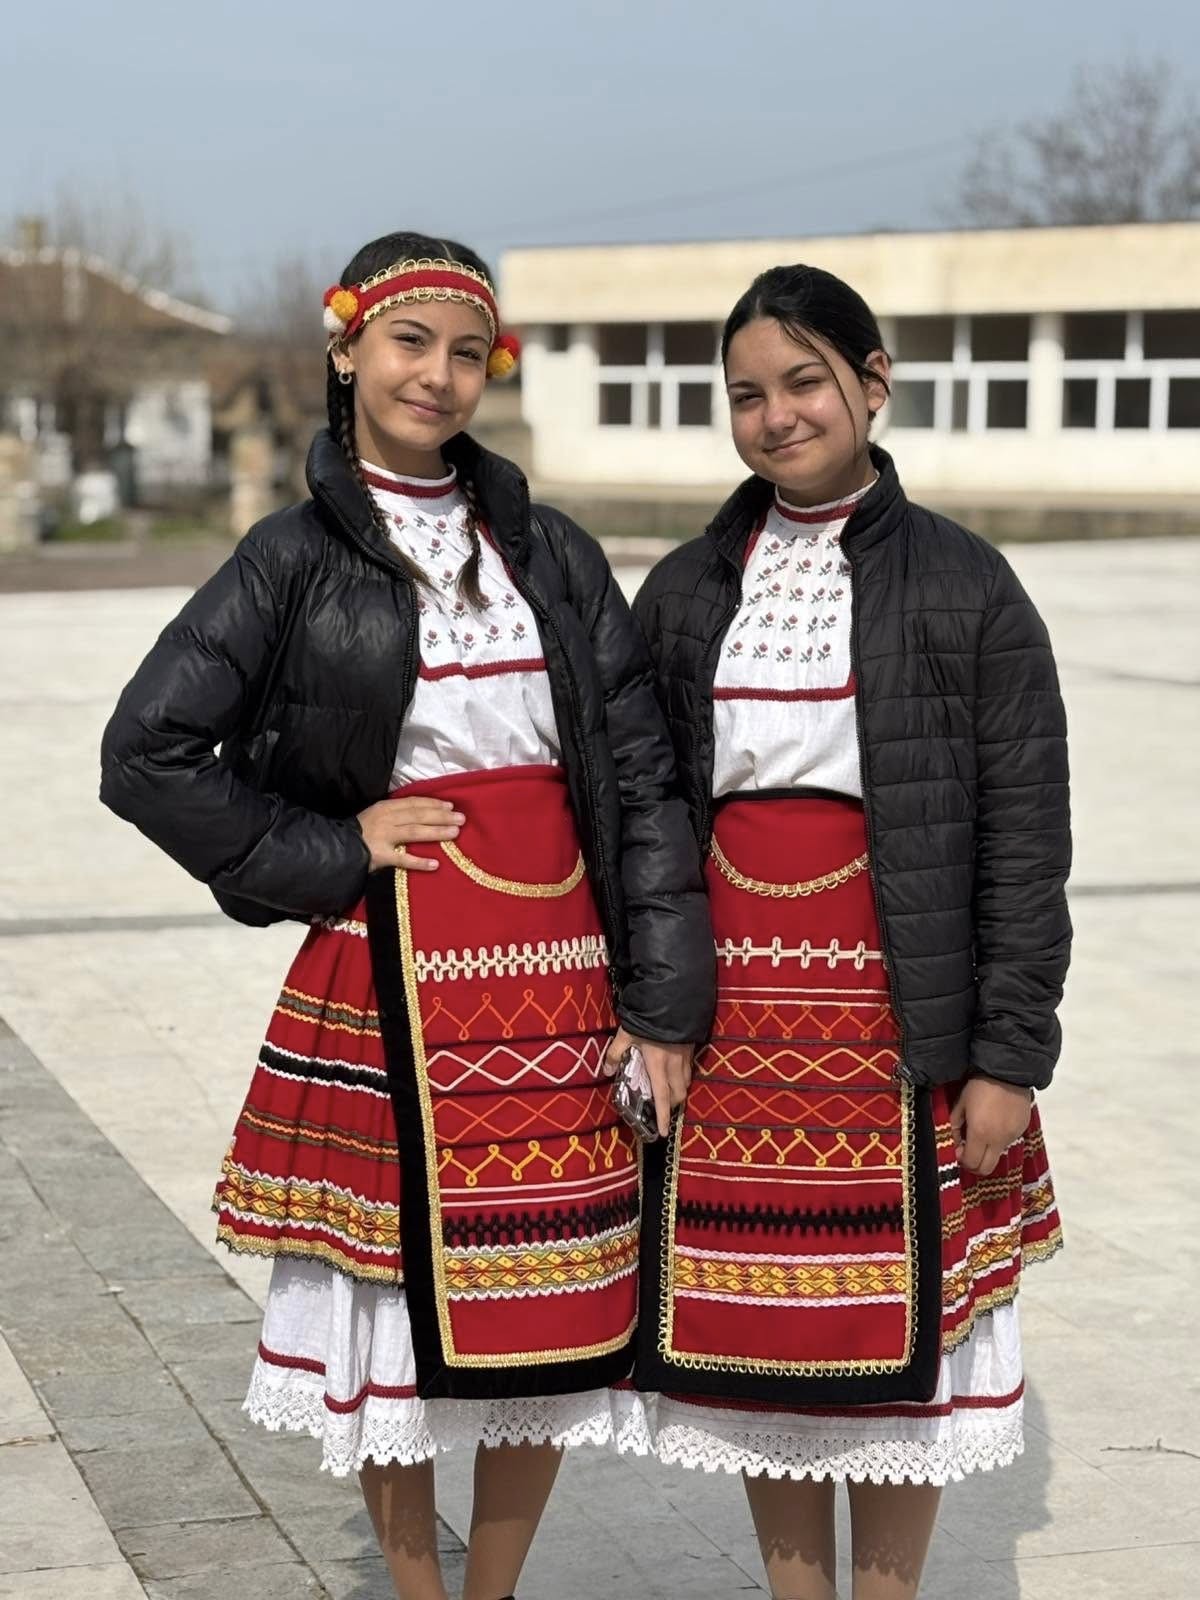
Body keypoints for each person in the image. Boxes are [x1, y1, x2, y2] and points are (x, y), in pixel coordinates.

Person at [99, 231, 711, 1600]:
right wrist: (331, 848)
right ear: (347, 350)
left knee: (555, 1298)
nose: (437, 375)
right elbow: (144, 752)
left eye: (466, 352)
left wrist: (664, 1003)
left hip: (561, 974)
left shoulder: (551, 552)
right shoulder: (290, 558)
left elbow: (644, 782)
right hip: (395, 971)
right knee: (393, 1309)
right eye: (408, 342)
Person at [623, 263, 1068, 1600]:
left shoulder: (968, 587)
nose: (777, 416)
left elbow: (1024, 836)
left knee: (903, 1353)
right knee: (766, 1337)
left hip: (901, 1010)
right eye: (746, 394)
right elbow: (642, 811)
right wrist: (655, 1009)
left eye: (805, 382)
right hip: (740, 1017)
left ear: (874, 384)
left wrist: (1008, 1054)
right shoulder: (687, 589)